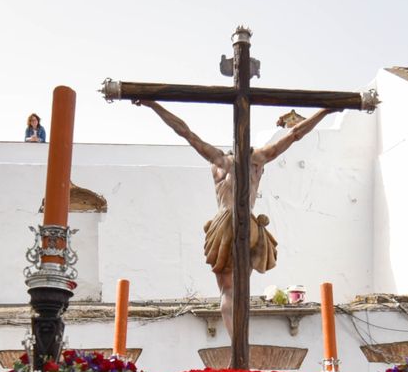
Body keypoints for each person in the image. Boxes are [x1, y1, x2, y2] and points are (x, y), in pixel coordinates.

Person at [136, 98, 336, 338]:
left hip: (224, 224)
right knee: (242, 288)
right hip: (250, 225)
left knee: (227, 291)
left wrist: (153, 105)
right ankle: (242, 343)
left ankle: (236, 344)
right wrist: (325, 110)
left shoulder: (219, 161)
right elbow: (295, 134)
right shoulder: (259, 159)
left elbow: (185, 132)